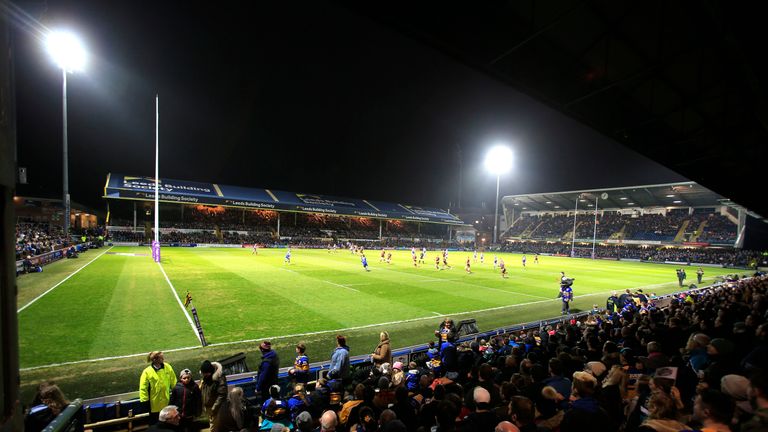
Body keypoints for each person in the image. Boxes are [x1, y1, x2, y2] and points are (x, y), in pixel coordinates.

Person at [140, 351, 177, 424]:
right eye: (161, 357)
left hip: (166, 403)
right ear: (155, 360)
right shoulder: (147, 372)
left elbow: (174, 381)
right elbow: (143, 388)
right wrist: (145, 401)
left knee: (167, 423)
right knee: (155, 424)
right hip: (154, 406)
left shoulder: (168, 367)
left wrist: (177, 393)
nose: (163, 358)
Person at [200, 359, 228, 432]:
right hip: (209, 407)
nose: (203, 375)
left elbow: (222, 395)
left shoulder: (219, 378)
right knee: (214, 426)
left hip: (217, 408)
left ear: (209, 372)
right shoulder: (205, 377)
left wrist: (214, 408)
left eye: (205, 374)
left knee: (214, 428)